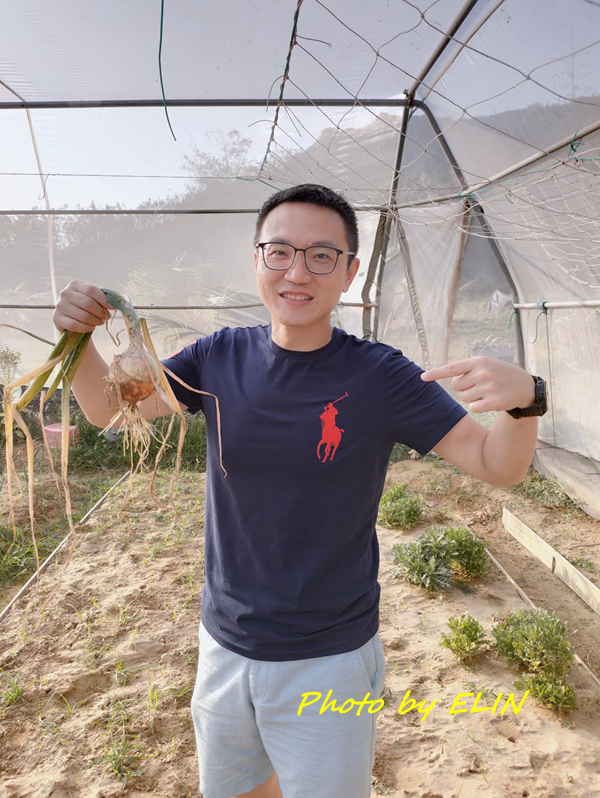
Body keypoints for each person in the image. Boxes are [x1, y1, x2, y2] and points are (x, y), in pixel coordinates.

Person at [53, 184, 545, 798]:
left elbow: (494, 465)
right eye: (279, 251)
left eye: (321, 255)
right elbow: (106, 408)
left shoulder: (379, 374)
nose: (297, 270)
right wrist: (76, 343)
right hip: (224, 643)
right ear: (257, 260)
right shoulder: (218, 358)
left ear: (349, 273)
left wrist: (527, 401)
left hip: (329, 658)